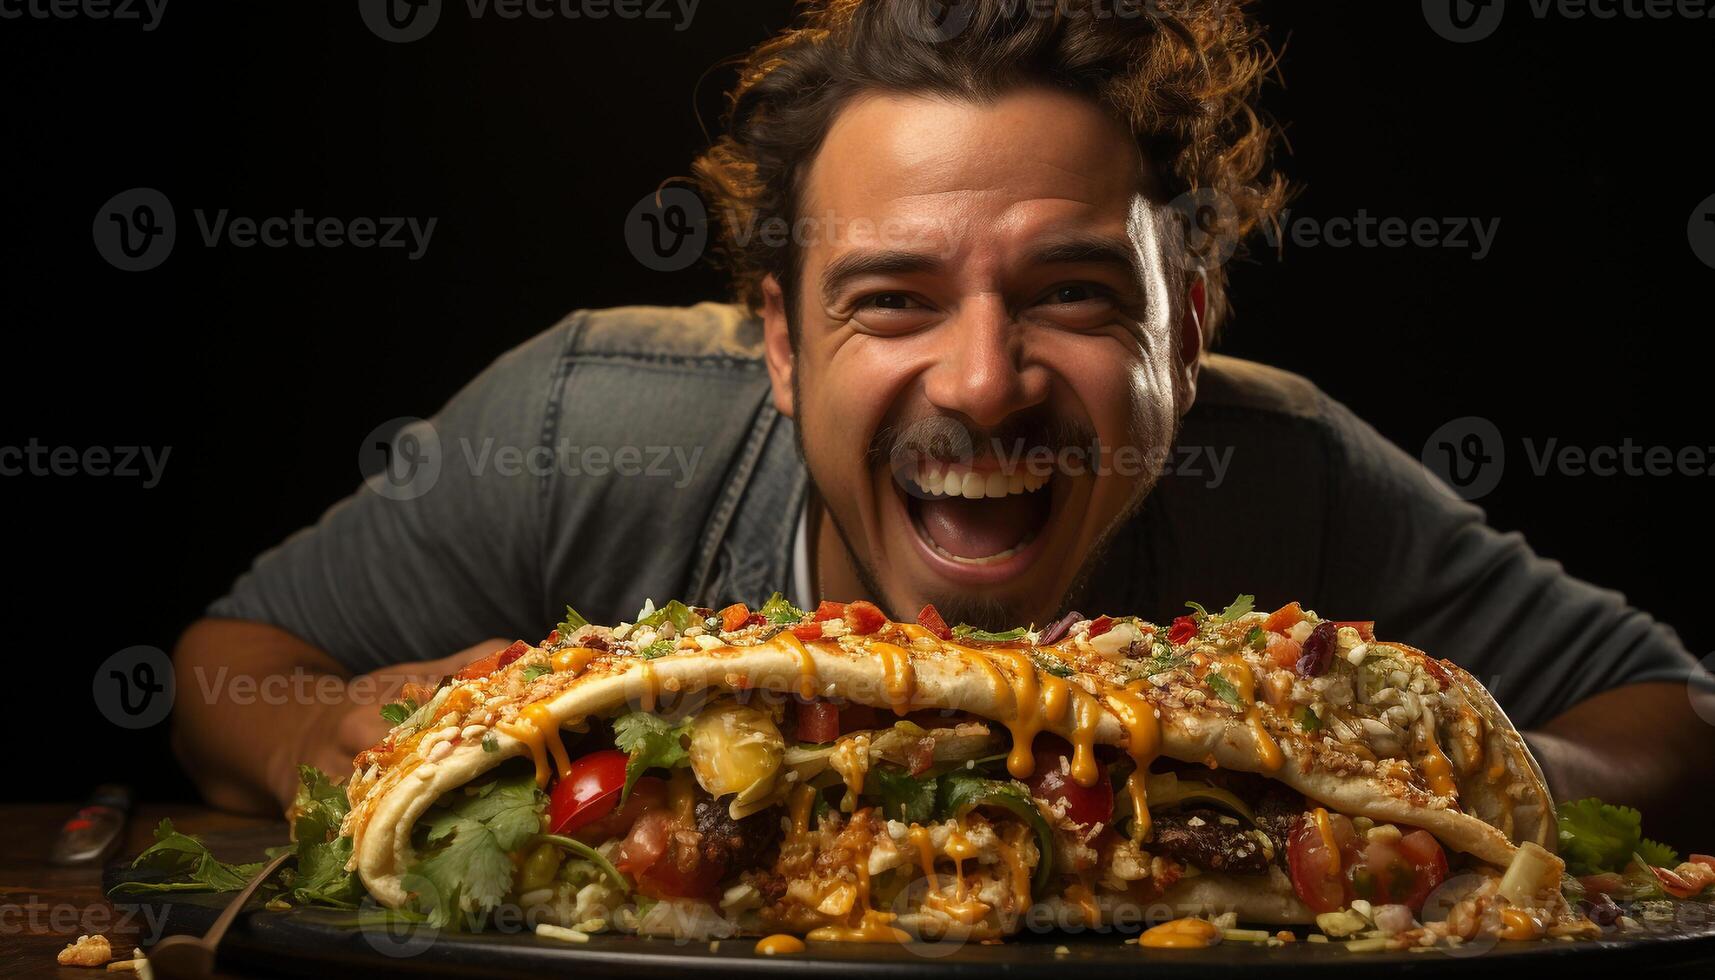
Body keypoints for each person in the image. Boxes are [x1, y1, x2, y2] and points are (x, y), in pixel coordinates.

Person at [172, 0, 1714, 843]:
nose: (984, 383)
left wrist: (1450, 788)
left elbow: (1678, 716)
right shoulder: (585, 421)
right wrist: (323, 736)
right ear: (778, 342)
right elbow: (224, 669)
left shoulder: (1291, 473)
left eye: (1073, 294)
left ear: (1189, 330)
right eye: (894, 298)